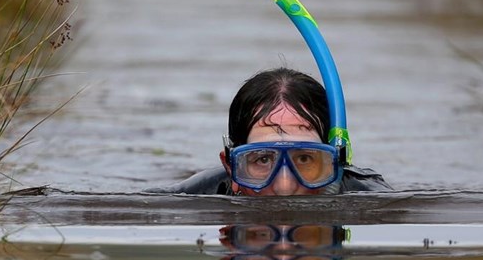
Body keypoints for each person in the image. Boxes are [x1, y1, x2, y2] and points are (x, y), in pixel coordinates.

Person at [149, 68, 391, 195]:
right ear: (231, 167)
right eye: (263, 159)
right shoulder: (200, 192)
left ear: (335, 163)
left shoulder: (363, 190)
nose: (284, 186)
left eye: (305, 158)